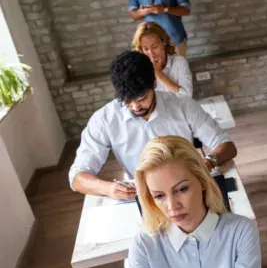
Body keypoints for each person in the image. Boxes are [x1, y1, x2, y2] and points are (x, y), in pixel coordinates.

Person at [69, 51, 236, 201]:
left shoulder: (182, 105)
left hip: (188, 187)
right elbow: (77, 177)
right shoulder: (104, 120)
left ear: (154, 85)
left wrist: (207, 163)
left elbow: (227, 146)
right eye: (127, 101)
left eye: (141, 98)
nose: (135, 107)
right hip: (144, 195)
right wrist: (108, 188)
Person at [125, 136, 262, 268]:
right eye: (159, 196)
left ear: (202, 181)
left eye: (182, 189)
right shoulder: (143, 246)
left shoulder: (241, 231)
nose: (172, 207)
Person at [133, 21, 192, 97]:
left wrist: (158, 73)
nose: (151, 53)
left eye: (155, 47)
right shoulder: (141, 69)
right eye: (146, 49)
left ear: (164, 41)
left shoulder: (179, 62)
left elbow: (187, 96)